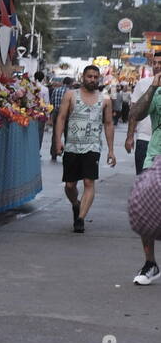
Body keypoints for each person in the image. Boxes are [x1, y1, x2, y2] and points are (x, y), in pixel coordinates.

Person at [53, 65, 115, 233]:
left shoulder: (105, 99)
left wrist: (110, 150)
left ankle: (80, 219)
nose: (92, 79)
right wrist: (57, 140)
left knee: (89, 182)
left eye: (95, 77)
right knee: (70, 185)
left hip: (93, 146)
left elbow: (108, 124)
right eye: (89, 76)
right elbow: (61, 117)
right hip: (72, 146)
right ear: (83, 77)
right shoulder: (71, 95)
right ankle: (76, 204)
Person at [128, 55, 161, 285]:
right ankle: (150, 263)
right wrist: (152, 87)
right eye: (156, 64)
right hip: (154, 154)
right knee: (144, 208)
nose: (158, 67)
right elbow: (136, 114)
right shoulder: (151, 87)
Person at [49, 77, 72, 161]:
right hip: (67, 114)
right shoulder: (70, 92)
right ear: (70, 83)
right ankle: (67, 154)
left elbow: (51, 103)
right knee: (67, 134)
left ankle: (54, 153)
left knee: (56, 134)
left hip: (56, 113)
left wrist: (51, 115)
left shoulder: (55, 90)